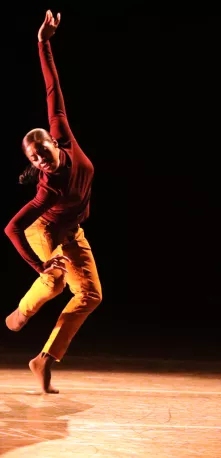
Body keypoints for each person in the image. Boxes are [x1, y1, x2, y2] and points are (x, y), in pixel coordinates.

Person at [4, 10, 102, 394]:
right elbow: (12, 227)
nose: (39, 158)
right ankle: (22, 312)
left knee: (91, 295)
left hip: (71, 229)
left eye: (40, 150)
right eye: (32, 158)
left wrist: (43, 42)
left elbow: (53, 88)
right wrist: (38, 263)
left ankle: (43, 359)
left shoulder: (63, 132)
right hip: (43, 230)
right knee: (56, 280)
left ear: (51, 141)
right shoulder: (48, 191)